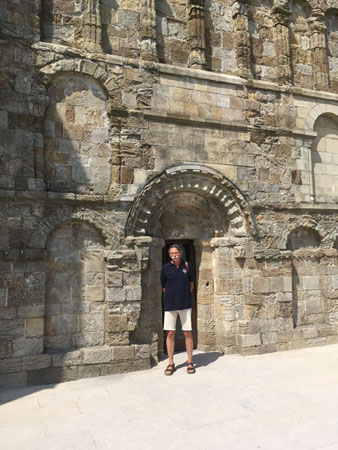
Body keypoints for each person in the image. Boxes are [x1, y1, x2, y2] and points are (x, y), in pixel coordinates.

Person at [160, 244, 195, 375]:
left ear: (180, 253)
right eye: (172, 253)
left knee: (187, 332)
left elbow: (191, 284)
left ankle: (190, 361)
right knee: (170, 333)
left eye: (176, 252)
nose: (174, 254)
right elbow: (164, 286)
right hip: (170, 305)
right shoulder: (165, 268)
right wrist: (171, 297)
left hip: (185, 305)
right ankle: (170, 362)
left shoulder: (187, 266)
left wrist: (184, 295)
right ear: (169, 255)